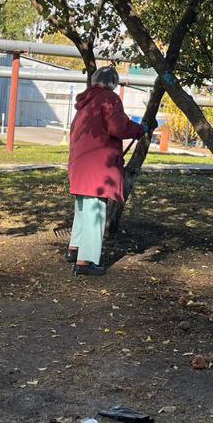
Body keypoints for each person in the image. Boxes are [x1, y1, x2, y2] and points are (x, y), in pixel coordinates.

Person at [65, 66, 147, 276]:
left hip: (80, 162)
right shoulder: (109, 99)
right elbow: (117, 127)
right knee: (95, 211)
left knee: (83, 208)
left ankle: (75, 249)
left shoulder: (85, 102)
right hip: (98, 164)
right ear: (113, 82)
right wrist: (139, 129)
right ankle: (86, 261)